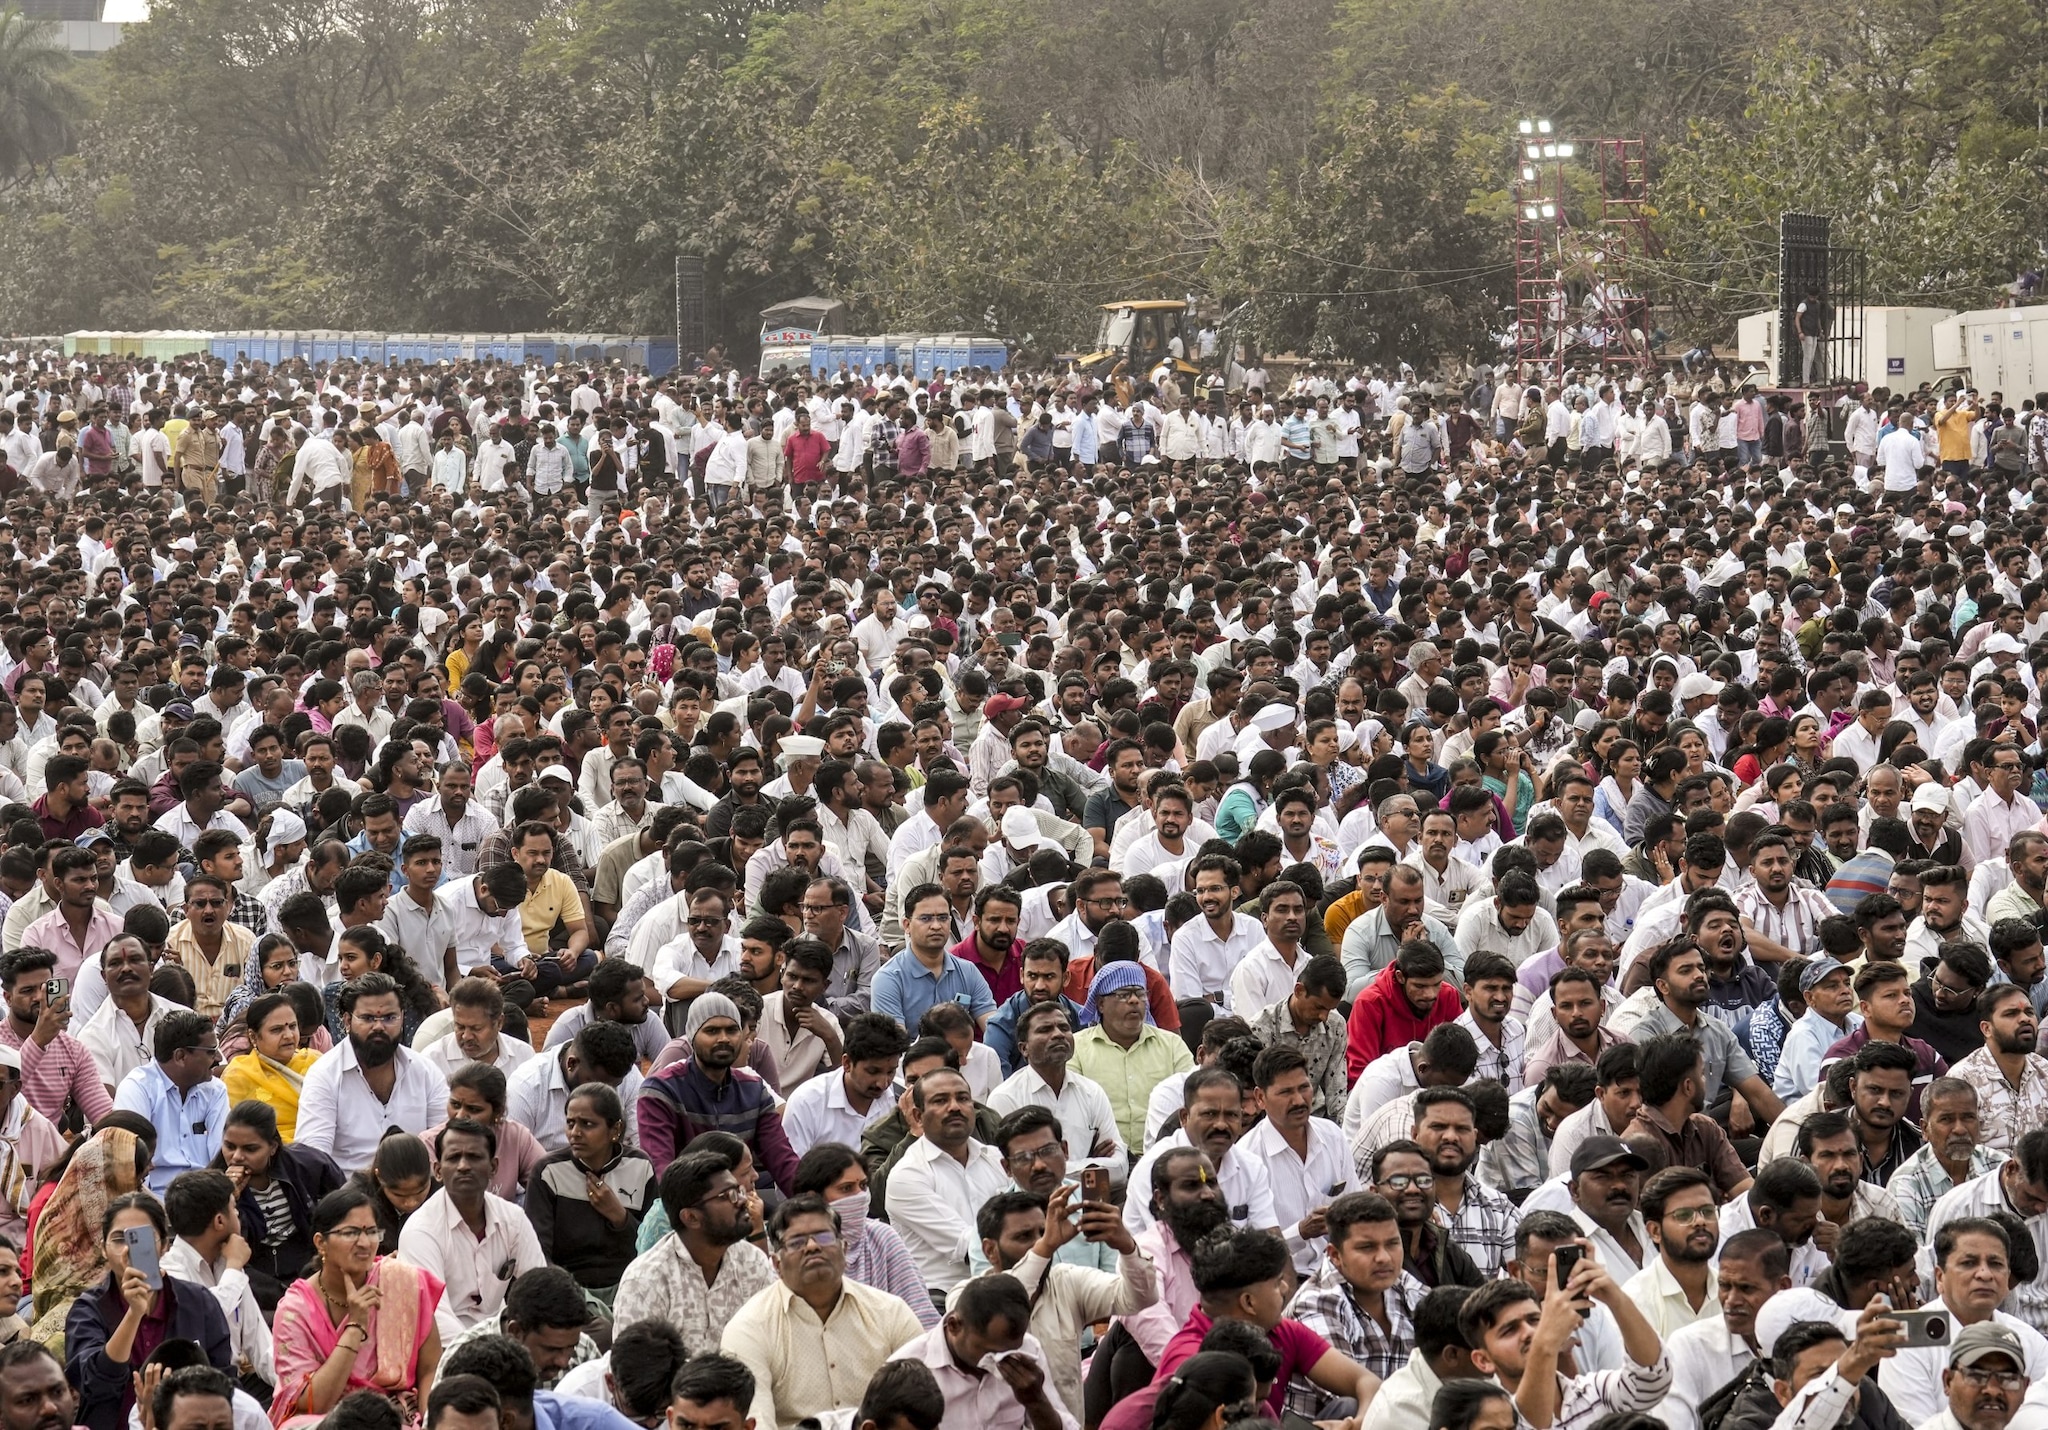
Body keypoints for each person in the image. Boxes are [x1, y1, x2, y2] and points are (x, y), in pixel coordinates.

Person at [718, 1192, 927, 1430]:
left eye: (824, 1237)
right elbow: (757, 1422)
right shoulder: (750, 1327)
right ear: (776, 1264)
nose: (812, 1247)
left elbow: (922, 1405)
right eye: (796, 1242)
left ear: (844, 1249)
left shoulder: (890, 1313)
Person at [973, 1183, 1158, 1419]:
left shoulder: (1066, 1280)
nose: (1039, 1242)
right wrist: (1046, 1247)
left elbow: (1142, 1298)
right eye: (1024, 1236)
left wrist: (1126, 1246)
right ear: (990, 1250)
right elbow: (1007, 1300)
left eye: (1043, 1232)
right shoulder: (967, 1296)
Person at [269, 1185, 443, 1423]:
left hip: (397, 1416)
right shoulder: (294, 1311)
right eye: (351, 1232)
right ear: (321, 1243)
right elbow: (311, 1403)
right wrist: (355, 1326)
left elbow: (430, 1368)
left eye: (371, 1231)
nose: (364, 1242)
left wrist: (431, 1423)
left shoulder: (403, 1282)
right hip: (330, 1421)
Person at [62, 1191, 234, 1430]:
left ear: (164, 1245)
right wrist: (134, 1314)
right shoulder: (89, 1309)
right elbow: (94, 1384)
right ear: (103, 1249)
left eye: (140, 1238)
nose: (128, 1250)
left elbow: (224, 1380)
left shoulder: (198, 1302)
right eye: (119, 1239)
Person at [1455, 1241, 1670, 1430]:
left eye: (1534, 1320)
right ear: (1483, 1360)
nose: (1529, 1332)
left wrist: (1615, 1299)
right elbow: (1529, 1423)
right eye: (1510, 1330)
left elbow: (1652, 1380)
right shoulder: (1488, 1421)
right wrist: (1547, 1342)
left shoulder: (1592, 1391)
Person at [611, 1149, 775, 1352]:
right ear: (691, 1217)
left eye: (739, 1191)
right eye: (728, 1195)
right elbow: (635, 1370)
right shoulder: (646, 1280)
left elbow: (775, 1344)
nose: (742, 1200)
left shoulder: (753, 1263)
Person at [396, 1119, 545, 1342]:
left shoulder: (512, 1219)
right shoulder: (420, 1231)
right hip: (444, 1350)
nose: (464, 1166)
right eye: (454, 1157)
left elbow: (539, 1286)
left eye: (474, 1157)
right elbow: (436, 1319)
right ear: (437, 1170)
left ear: (493, 1167)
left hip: (503, 1338)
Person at [295, 973, 450, 1176]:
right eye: (368, 1018)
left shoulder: (425, 1071)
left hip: (416, 1191)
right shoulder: (324, 1075)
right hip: (349, 1197)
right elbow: (314, 1157)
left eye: (389, 1018)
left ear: (402, 1018)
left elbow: (444, 1143)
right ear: (348, 1021)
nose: (379, 1026)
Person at [887, 1273, 1075, 1430]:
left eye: (1010, 1352)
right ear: (954, 1326)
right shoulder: (909, 1370)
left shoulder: (1027, 1350)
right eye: (990, 1352)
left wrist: (1036, 1401)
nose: (1000, 1362)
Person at [523, 1084, 654, 1306]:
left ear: (615, 1130)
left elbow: (652, 1246)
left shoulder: (640, 1166)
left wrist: (619, 1217)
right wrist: (567, 1294)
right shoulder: (549, 1171)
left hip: (630, 1285)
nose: (575, 1133)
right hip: (568, 1290)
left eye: (588, 1124)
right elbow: (537, 1251)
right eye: (570, 1123)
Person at [214, 1099, 345, 1311]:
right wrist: (228, 1198)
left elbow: (346, 1208)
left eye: (250, 1149)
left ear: (272, 1147)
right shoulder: (214, 1183)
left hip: (308, 1265)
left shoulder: (308, 1165)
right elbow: (216, 1245)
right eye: (229, 1146)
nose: (236, 1157)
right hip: (253, 1277)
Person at [161, 1169, 275, 1399]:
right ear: (220, 1221)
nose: (238, 1214)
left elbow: (261, 1345)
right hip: (195, 1394)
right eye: (234, 1208)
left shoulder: (228, 1261)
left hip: (238, 1384)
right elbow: (204, 1321)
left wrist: (295, 1392)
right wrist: (233, 1267)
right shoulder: (170, 1273)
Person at [112, 1012, 228, 1196]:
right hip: (153, 1202)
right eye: (211, 1051)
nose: (218, 1059)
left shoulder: (215, 1090)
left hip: (207, 1199)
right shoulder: (137, 1088)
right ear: (180, 1056)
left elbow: (221, 1155)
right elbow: (131, 1168)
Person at [219, 993, 320, 1140]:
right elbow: (234, 1136)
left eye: (292, 1026)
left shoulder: (316, 1062)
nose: (289, 1035)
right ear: (253, 1036)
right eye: (277, 1030)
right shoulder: (239, 1074)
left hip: (323, 1148)